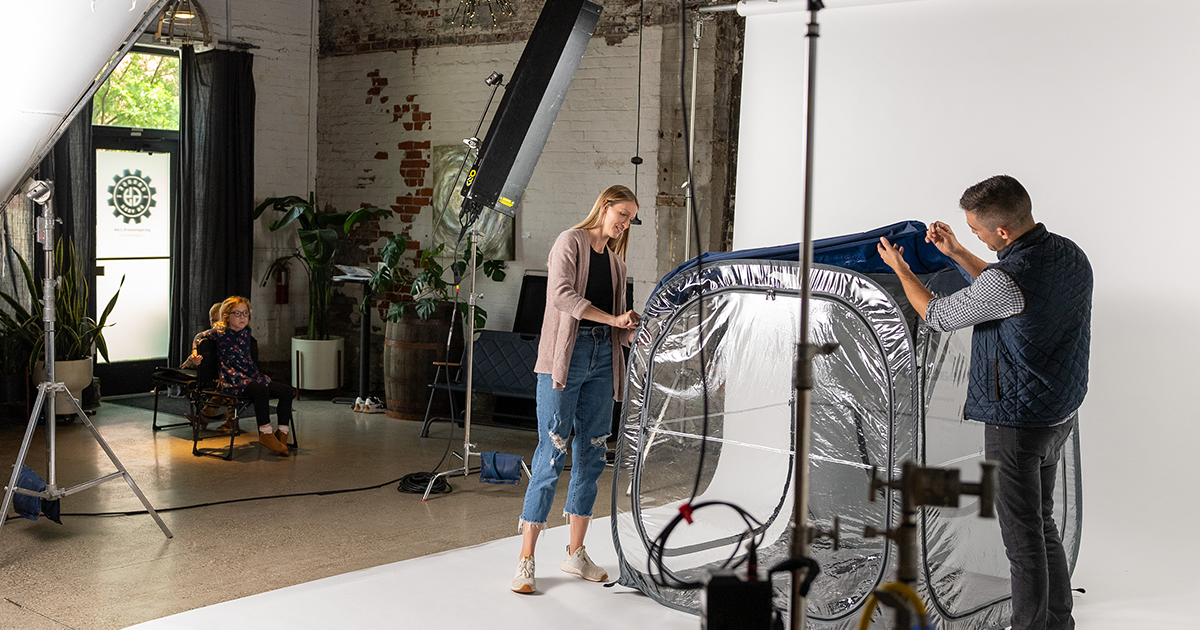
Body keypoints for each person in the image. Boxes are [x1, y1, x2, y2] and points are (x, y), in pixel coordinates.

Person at [876, 175, 1091, 630]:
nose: (973, 235)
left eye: (976, 232)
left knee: (1021, 537)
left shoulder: (1006, 281)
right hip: (1058, 412)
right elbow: (1002, 293)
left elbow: (937, 315)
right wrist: (955, 252)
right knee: (1041, 522)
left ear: (1004, 233)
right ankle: (1057, 622)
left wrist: (902, 270)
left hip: (1018, 423)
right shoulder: (1070, 254)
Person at [511, 185, 641, 594]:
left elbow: (618, 324)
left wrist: (630, 326)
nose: (624, 223)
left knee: (593, 453)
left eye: (630, 219)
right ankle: (526, 560)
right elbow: (562, 296)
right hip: (564, 360)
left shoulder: (617, 265)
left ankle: (575, 553)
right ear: (604, 207)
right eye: (621, 213)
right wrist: (612, 318)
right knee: (551, 452)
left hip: (604, 358)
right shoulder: (570, 241)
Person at [195, 297, 296, 456]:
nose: (242, 317)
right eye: (237, 313)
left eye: (245, 313)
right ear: (227, 315)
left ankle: (282, 433)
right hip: (233, 379)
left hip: (251, 375)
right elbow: (199, 337)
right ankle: (265, 432)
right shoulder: (220, 332)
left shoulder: (246, 332)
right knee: (261, 391)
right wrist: (195, 353)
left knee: (287, 391)